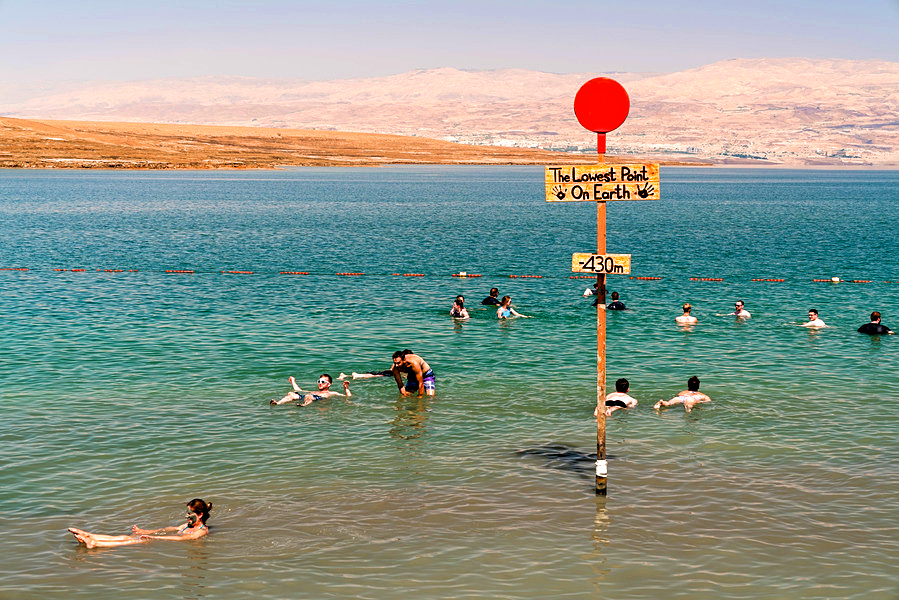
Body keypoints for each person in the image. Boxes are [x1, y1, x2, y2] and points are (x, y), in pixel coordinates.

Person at [68, 499, 212, 548]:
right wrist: (145, 531)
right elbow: (168, 528)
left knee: (128, 542)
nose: (187, 516)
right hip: (154, 540)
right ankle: (88, 535)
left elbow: (183, 539)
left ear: (199, 514)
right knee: (126, 537)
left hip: (159, 545)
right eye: (187, 513)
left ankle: (95, 543)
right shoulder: (187, 525)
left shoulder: (201, 531)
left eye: (190, 514)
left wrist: (155, 538)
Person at [270, 373, 351, 405]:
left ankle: (304, 405)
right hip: (306, 396)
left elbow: (348, 397)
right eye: (319, 381)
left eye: (323, 381)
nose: (320, 383)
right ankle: (278, 403)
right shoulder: (314, 391)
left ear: (329, 384)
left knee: (309, 396)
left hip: (315, 398)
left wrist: (346, 388)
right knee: (291, 393)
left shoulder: (332, 393)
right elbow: (299, 391)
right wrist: (293, 381)